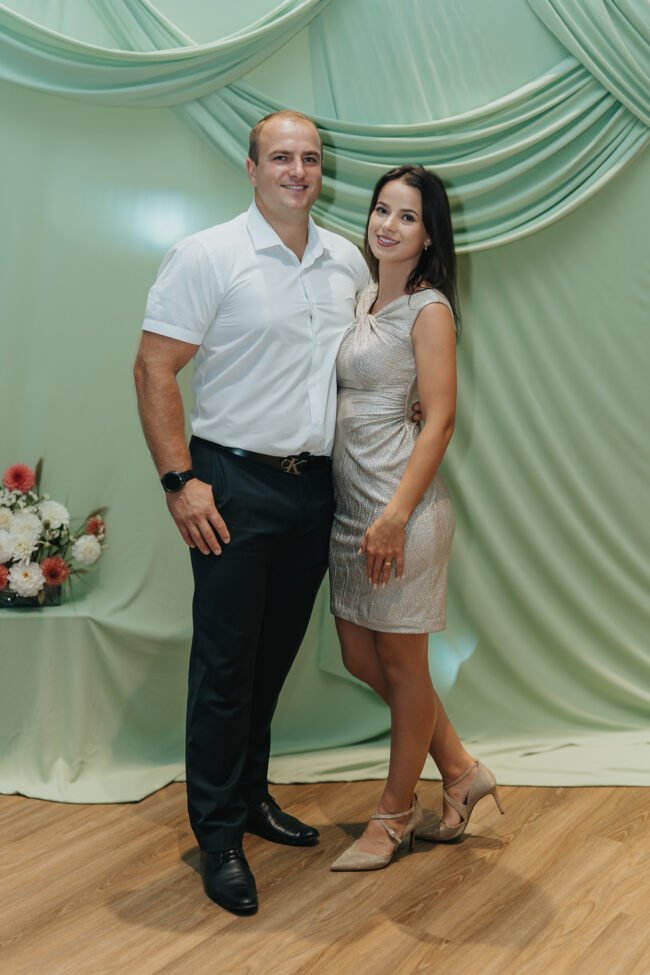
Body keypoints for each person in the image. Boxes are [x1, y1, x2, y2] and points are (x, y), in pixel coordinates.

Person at [133, 110, 371, 915]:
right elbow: (154, 368)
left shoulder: (345, 260)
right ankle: (218, 834)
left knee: (271, 658)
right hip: (230, 482)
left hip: (315, 488)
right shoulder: (207, 255)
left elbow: (362, 362)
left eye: (309, 158)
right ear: (251, 167)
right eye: (281, 157)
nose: (297, 171)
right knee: (226, 663)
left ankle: (250, 795)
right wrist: (180, 480)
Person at [328, 166, 504, 872]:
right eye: (381, 210)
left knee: (404, 668)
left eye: (407, 216)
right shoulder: (362, 297)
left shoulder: (429, 309)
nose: (388, 225)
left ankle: (393, 815)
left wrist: (396, 515)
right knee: (359, 656)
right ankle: (460, 770)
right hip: (350, 510)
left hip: (401, 510)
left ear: (429, 234)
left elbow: (441, 421)